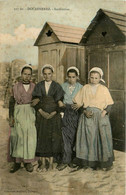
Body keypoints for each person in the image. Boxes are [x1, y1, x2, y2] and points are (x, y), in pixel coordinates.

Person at [73, 67, 114, 171]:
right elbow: (78, 103)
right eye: (92, 77)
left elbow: (109, 104)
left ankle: (102, 163)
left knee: (101, 139)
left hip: (100, 116)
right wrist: (84, 111)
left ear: (100, 78)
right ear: (89, 78)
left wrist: (104, 112)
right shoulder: (85, 88)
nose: (94, 80)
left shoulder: (104, 89)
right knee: (88, 139)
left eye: (96, 78)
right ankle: (87, 162)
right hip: (88, 115)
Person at [32, 64, 64, 171]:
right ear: (42, 75)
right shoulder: (39, 85)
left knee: (52, 138)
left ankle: (50, 163)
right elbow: (35, 102)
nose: (47, 76)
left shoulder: (57, 86)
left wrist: (54, 113)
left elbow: (60, 103)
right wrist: (41, 112)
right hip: (42, 115)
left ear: (52, 74)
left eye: (49, 74)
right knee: (42, 137)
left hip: (54, 116)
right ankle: (42, 162)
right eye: (45, 74)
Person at [9, 65, 37, 173]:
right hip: (19, 112)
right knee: (18, 136)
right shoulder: (15, 86)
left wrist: (37, 101)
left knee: (29, 137)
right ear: (21, 74)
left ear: (31, 75)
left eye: (29, 74)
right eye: (25, 74)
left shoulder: (34, 86)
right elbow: (11, 102)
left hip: (30, 112)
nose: (27, 76)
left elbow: (38, 99)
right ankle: (16, 162)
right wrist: (11, 116)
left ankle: (27, 162)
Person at [56, 66, 83, 171]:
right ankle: (65, 160)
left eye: (73, 77)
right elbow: (58, 98)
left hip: (76, 113)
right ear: (67, 77)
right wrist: (59, 101)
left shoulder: (81, 87)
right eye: (69, 77)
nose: (71, 79)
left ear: (77, 77)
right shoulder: (63, 86)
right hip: (65, 112)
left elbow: (85, 100)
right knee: (65, 137)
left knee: (74, 137)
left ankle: (71, 160)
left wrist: (80, 104)